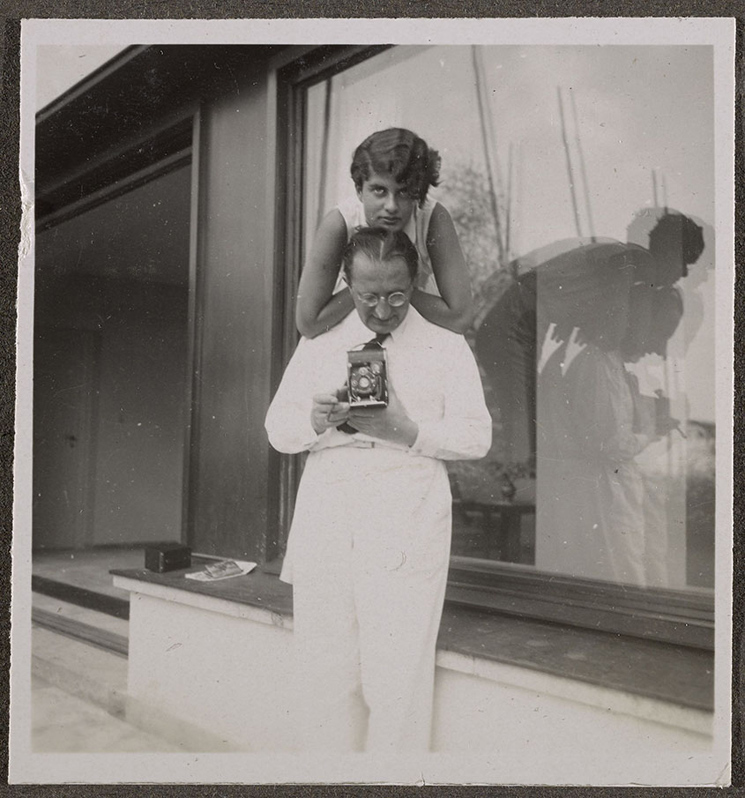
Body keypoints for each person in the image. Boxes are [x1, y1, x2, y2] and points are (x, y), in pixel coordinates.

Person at [265, 228, 491, 754]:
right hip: (329, 506)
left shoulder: (444, 344)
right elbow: (278, 428)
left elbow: (477, 435)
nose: (383, 311)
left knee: (396, 680)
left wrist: (409, 432)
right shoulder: (319, 340)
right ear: (346, 282)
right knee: (325, 673)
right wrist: (315, 419)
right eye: (368, 296)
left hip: (404, 512)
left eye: (397, 295)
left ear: (418, 282)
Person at [296, 127, 474, 339]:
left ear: (417, 193)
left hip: (420, 329)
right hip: (350, 329)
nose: (391, 206)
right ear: (359, 190)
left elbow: (461, 317)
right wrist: (364, 291)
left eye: (404, 192)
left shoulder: (432, 218)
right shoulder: (339, 224)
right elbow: (308, 322)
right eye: (379, 190)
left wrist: (398, 292)